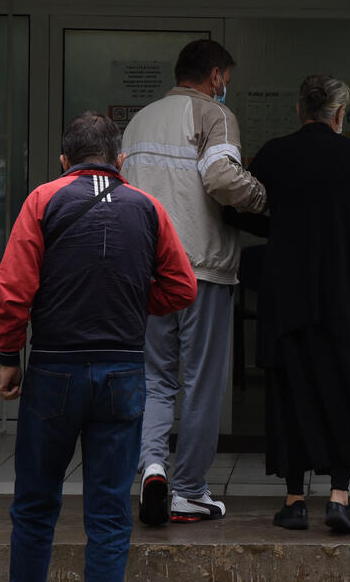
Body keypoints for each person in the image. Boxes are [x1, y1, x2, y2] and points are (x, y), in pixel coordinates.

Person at [0, 111, 198, 581]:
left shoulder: (43, 200)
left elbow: (14, 289)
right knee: (108, 513)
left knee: (34, 505)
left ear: (64, 159)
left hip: (52, 372)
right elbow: (183, 288)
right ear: (119, 160)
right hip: (122, 374)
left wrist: (9, 356)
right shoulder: (147, 206)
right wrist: (131, 298)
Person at [226, 74, 350, 534]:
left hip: (286, 293)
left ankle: (293, 501)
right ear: (340, 114)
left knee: (291, 390)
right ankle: (339, 497)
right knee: (345, 388)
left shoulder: (274, 153)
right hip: (345, 297)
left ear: (299, 109)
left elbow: (238, 212)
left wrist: (286, 231)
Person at [121, 39, 267, 526]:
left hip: (147, 272)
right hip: (200, 268)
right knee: (202, 383)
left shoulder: (140, 120)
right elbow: (223, 179)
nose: (227, 85)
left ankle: (153, 469)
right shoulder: (213, 116)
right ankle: (188, 489)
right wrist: (265, 200)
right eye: (227, 77)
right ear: (215, 75)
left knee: (154, 379)